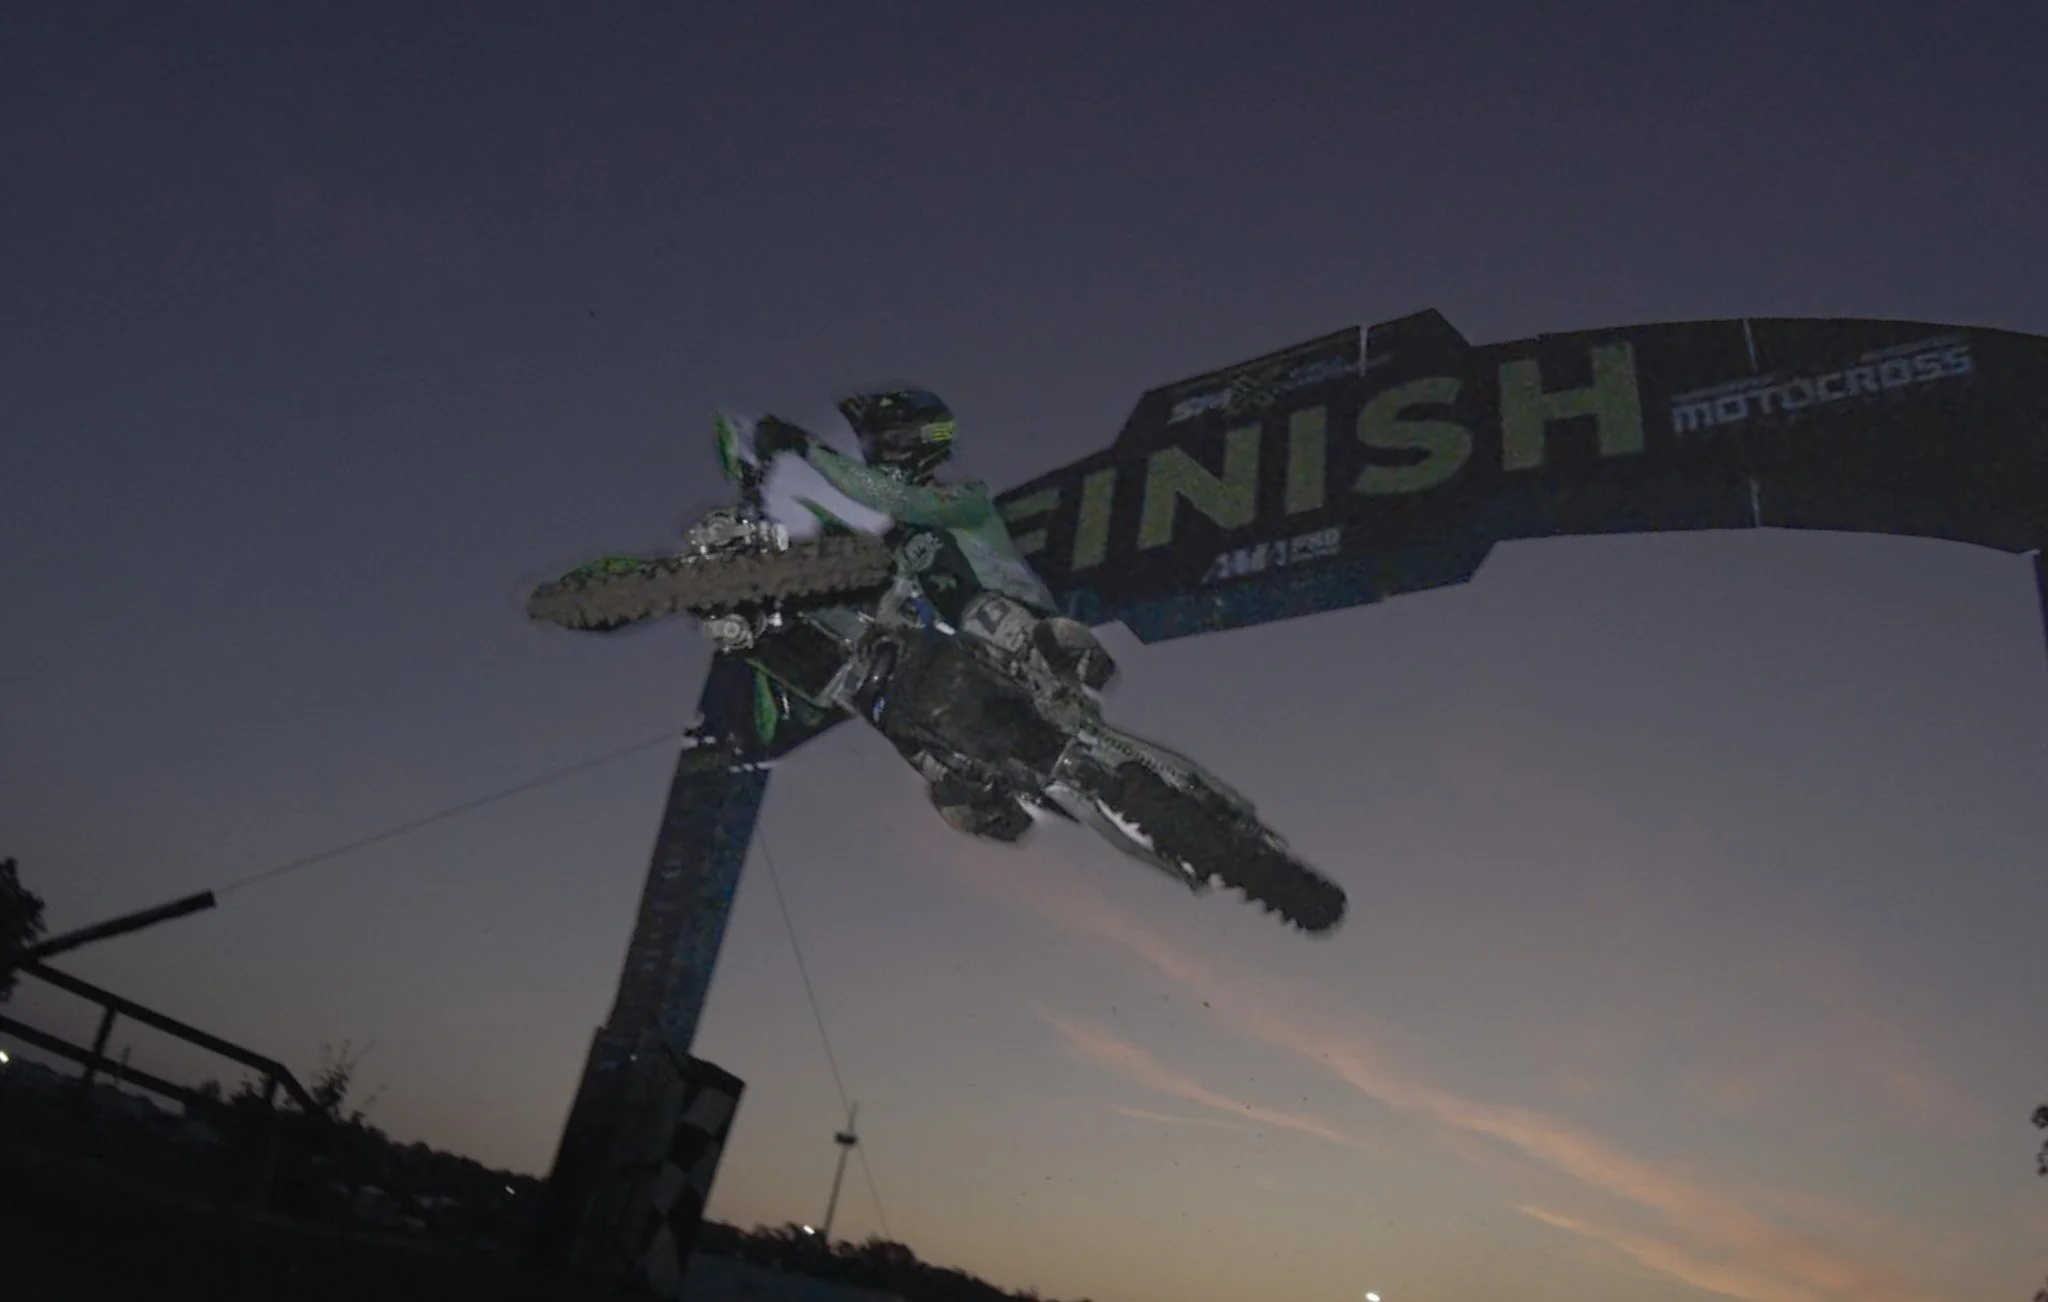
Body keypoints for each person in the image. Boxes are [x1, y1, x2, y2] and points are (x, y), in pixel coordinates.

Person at [751, 388, 1115, 841]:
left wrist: (806, 447)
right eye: (879, 444)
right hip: (979, 667)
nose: (888, 452)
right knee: (885, 681)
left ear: (931, 438)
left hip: (1028, 629)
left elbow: (894, 499)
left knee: (980, 610)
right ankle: (964, 775)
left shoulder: (963, 499)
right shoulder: (896, 548)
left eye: (899, 439)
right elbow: (879, 600)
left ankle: (1064, 659)